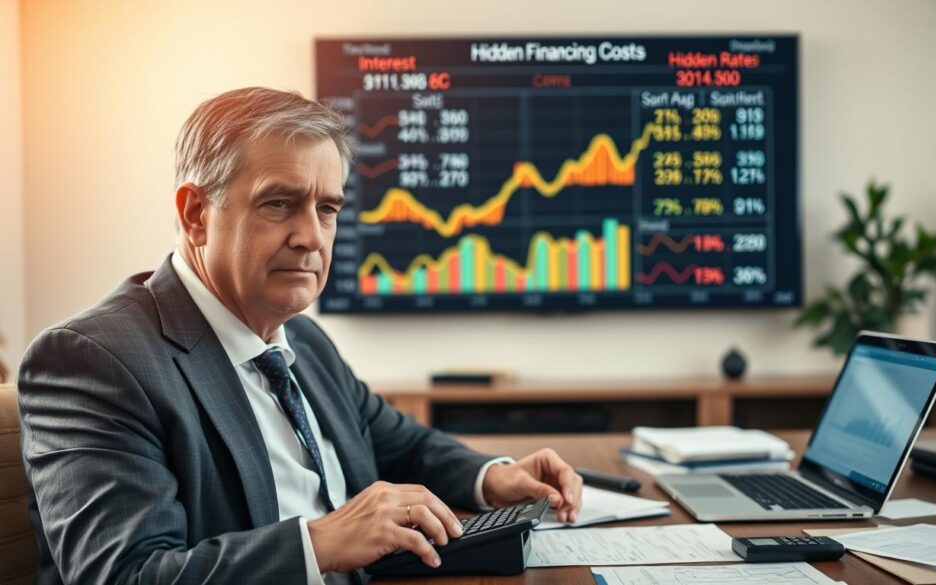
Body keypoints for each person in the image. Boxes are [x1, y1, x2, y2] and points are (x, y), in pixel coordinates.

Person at [18, 87, 583, 585]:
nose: (312, 236)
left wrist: (494, 477)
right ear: (195, 215)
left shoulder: (302, 342)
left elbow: (401, 445)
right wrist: (320, 543)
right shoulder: (93, 361)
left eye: (328, 208)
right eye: (279, 203)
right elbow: (126, 575)